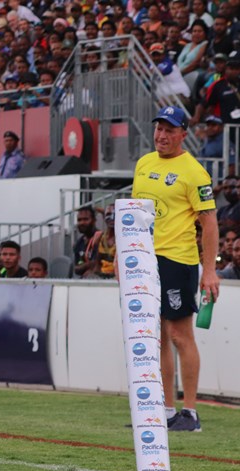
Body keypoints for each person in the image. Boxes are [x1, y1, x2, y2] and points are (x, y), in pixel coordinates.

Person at [131, 106, 219, 432]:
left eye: (169, 130)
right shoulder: (143, 163)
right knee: (156, 337)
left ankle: (190, 413)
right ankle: (166, 411)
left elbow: (210, 224)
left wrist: (209, 271)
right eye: (159, 128)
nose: (162, 135)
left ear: (183, 134)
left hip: (177, 260)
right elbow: (135, 214)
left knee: (180, 335)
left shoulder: (194, 172)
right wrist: (126, 257)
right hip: (144, 259)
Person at [73, 206, 101, 278]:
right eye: (79, 220)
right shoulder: (79, 243)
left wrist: (86, 266)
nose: (82, 223)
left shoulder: (101, 238)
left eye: (86, 219)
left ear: (94, 220)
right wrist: (89, 265)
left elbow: (100, 264)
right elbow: (76, 269)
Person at [93, 205, 117, 279]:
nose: (112, 217)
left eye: (115, 214)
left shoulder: (124, 239)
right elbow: (97, 263)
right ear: (104, 217)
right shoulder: (100, 237)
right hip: (102, 276)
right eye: (108, 214)